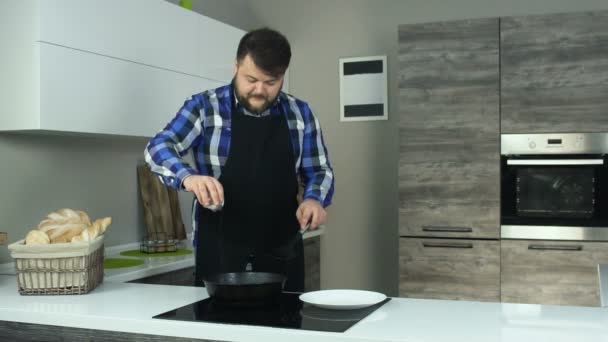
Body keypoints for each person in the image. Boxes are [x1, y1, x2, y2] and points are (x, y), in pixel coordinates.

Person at [144, 27, 334, 292]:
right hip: (219, 249)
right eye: (251, 79)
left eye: (271, 82)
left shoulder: (301, 113)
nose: (259, 90)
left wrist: (314, 199)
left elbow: (319, 170)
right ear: (236, 65)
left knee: (285, 330)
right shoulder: (204, 107)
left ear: (283, 74)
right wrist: (189, 177)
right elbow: (158, 147)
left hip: (283, 249)